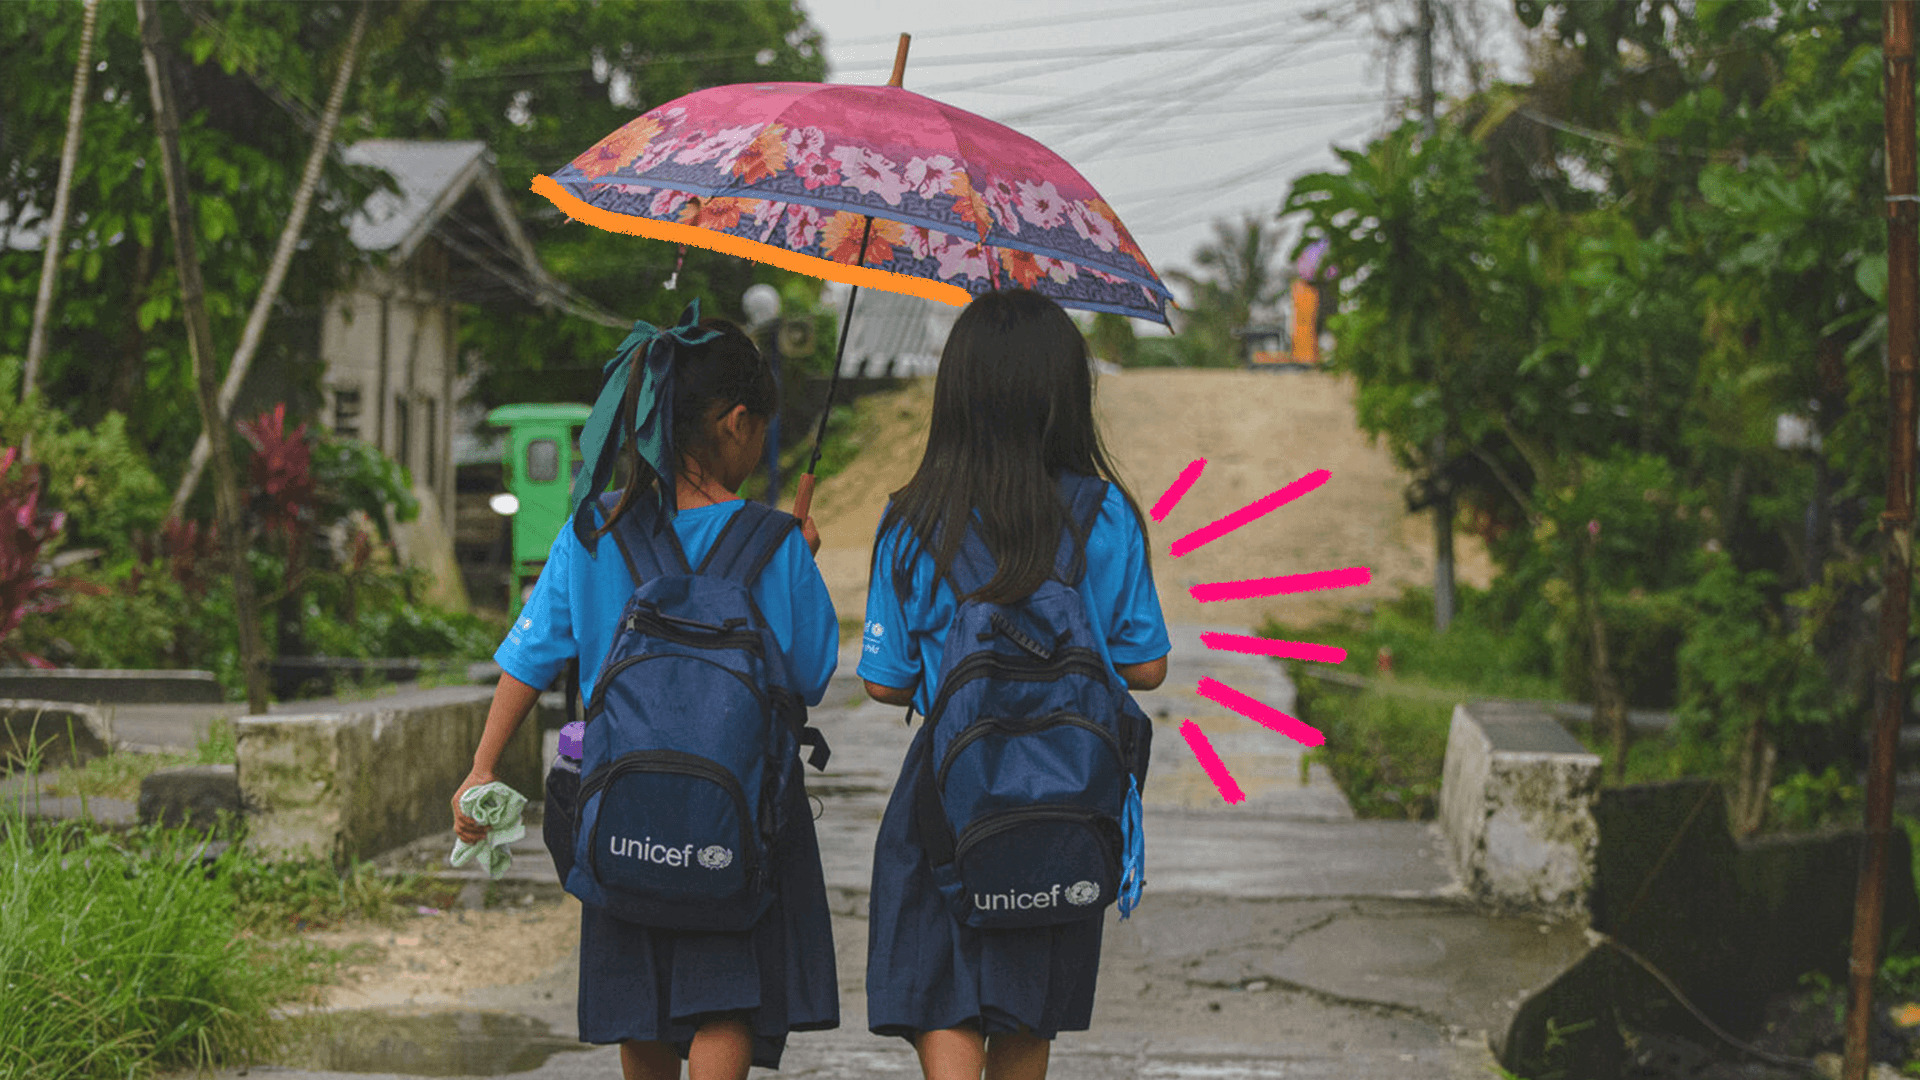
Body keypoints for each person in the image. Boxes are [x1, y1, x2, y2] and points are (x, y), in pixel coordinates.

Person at [452, 304, 839, 1080]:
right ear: (734, 422)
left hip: (619, 801)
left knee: (642, 1002)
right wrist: (801, 559)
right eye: (759, 426)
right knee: (724, 996)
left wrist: (483, 768)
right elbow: (809, 676)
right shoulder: (776, 545)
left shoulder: (593, 530)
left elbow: (529, 659)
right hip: (740, 808)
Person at [857, 288, 1172, 1080]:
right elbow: (1147, 667)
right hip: (1067, 789)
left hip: (946, 792)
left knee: (942, 995)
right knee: (1027, 1014)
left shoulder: (911, 519)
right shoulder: (1106, 516)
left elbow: (886, 686)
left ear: (956, 392)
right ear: (1066, 394)